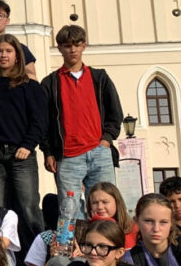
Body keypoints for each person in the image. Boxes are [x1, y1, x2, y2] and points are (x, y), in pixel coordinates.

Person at [41, 25, 123, 216]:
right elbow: (44, 122)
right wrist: (48, 152)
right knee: (69, 210)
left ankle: (107, 244)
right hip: (67, 156)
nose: (73, 50)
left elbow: (115, 112)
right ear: (60, 48)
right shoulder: (50, 83)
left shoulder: (99, 78)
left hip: (99, 151)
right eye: (68, 46)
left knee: (105, 206)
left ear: (84, 46)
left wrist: (106, 140)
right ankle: (71, 246)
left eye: (77, 45)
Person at [0, 33, 47, 260]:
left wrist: (28, 145)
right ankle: (0, 258)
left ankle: (43, 256)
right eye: (0, 51)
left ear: (17, 56)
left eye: (9, 51)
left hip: (22, 155)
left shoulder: (30, 86)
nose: (3, 55)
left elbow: (40, 120)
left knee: (29, 209)